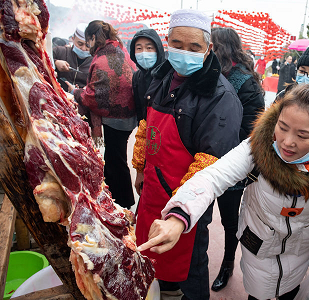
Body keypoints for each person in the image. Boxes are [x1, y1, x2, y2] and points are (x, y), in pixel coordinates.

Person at [138, 83, 309, 300]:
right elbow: (214, 176)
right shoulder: (258, 146)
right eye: (282, 127)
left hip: (299, 248)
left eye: (303, 135)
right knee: (258, 292)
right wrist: (179, 217)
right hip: (258, 241)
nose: (287, 142)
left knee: (290, 289)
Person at [133, 9, 243, 300]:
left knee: (189, 269)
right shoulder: (163, 76)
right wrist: (139, 167)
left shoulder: (220, 96)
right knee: (150, 258)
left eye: (194, 47)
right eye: (177, 44)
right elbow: (146, 125)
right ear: (167, 42)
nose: (184, 52)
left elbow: (211, 163)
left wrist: (181, 206)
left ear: (208, 50)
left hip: (186, 202)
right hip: (151, 192)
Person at [209, 27, 265, 292]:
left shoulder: (246, 83)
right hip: (204, 160)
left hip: (231, 163)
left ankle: (227, 264)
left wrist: (222, 145)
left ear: (224, 48)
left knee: (229, 220)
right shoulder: (207, 74)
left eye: (212, 45)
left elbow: (254, 129)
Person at [66, 20, 137, 209]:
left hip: (116, 120)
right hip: (127, 117)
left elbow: (93, 98)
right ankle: (117, 200)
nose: (87, 46)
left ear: (92, 38)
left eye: (87, 41)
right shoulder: (120, 51)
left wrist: (76, 93)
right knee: (116, 159)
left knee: (116, 161)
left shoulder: (102, 59)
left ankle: (122, 203)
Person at [129, 29, 165, 122]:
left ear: (158, 49)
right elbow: (139, 107)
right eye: (139, 49)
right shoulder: (137, 76)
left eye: (149, 48)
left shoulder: (168, 73)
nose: (144, 53)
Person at [53, 23, 93, 92]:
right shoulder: (59, 51)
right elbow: (40, 59)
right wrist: (55, 62)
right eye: (80, 44)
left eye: (88, 46)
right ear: (73, 39)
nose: (83, 48)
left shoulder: (95, 62)